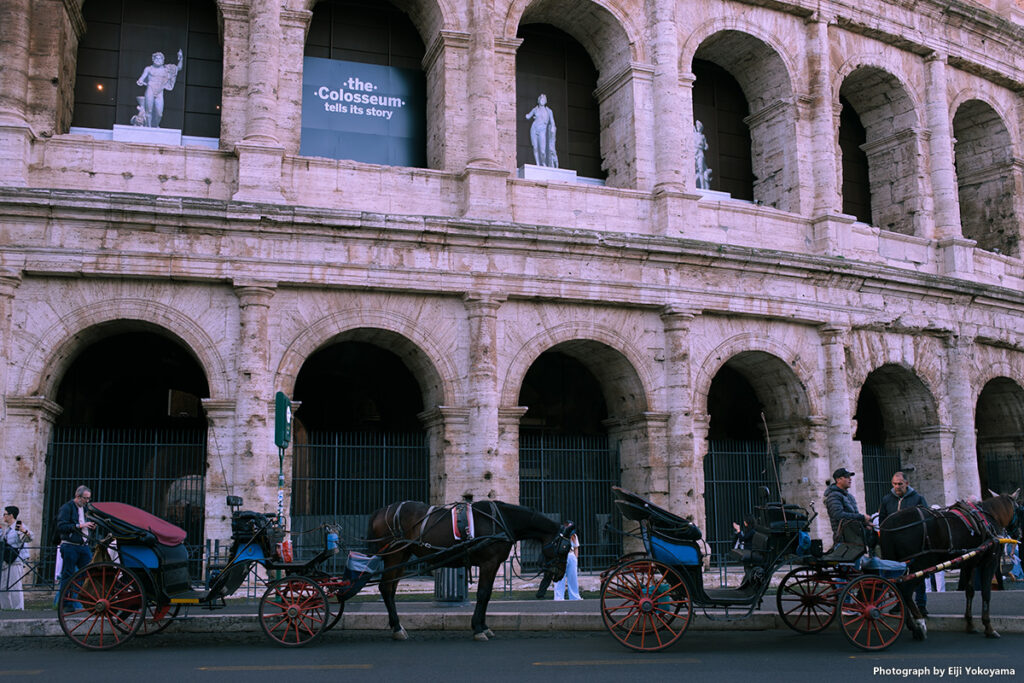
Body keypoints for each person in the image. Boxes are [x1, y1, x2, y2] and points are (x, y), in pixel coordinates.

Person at [878, 471, 929, 614]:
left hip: (914, 544)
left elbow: (927, 518)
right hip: (895, 545)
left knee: (918, 575)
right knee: (898, 577)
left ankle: (921, 605)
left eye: (900, 484)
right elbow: (883, 520)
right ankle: (900, 603)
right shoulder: (887, 499)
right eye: (894, 484)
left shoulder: (918, 498)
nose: (897, 487)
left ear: (907, 483)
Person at [56, 485, 95, 608]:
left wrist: (91, 527)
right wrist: (80, 525)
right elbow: (61, 526)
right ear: (77, 496)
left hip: (83, 546)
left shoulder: (85, 509)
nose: (87, 501)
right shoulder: (66, 508)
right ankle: (66, 603)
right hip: (70, 546)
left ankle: (81, 600)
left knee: (88, 572)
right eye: (85, 498)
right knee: (68, 574)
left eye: (89, 498)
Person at [135, 49, 184, 128]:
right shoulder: (148, 69)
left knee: (159, 114)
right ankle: (149, 127)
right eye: (156, 58)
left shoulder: (167, 69)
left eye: (160, 58)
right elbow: (141, 78)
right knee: (149, 111)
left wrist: (181, 58)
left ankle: (155, 125)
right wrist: (140, 81)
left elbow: (179, 68)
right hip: (150, 89)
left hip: (160, 91)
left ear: (163, 60)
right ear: (153, 59)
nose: (158, 60)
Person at [823, 467, 872, 544]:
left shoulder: (849, 496)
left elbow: (854, 515)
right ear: (838, 480)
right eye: (846, 477)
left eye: (850, 477)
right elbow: (838, 515)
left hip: (853, 538)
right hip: (843, 540)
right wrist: (862, 517)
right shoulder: (833, 496)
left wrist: (865, 524)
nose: (850, 479)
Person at [1, 506, 33, 610]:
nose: (3, 516)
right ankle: (6, 608)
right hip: (6, 561)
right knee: (3, 587)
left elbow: (29, 538)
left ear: (11, 515)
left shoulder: (18, 526)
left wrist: (24, 531)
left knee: (15, 587)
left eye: (5, 514)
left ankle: (18, 609)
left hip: (15, 561)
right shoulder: (6, 529)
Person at [525, 94, 557, 167]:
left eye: (543, 99)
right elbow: (528, 116)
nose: (542, 100)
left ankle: (543, 163)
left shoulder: (548, 111)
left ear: (545, 101)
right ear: (538, 100)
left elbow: (552, 121)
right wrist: (527, 116)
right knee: (535, 147)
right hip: (534, 128)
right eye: (541, 99)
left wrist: (552, 127)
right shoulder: (535, 109)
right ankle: (538, 164)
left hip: (543, 130)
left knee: (542, 150)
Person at [552, 526, 581, 601]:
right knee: (560, 577)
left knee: (573, 577)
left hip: (571, 555)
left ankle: (574, 597)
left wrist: (575, 558)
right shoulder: (559, 535)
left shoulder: (574, 536)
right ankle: (559, 597)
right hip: (561, 556)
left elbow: (576, 547)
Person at [694, 120, 711, 189]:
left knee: (701, 169)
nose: (698, 127)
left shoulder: (703, 136)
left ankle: (703, 186)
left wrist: (706, 146)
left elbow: (705, 146)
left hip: (700, 152)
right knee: (694, 169)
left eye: (699, 126)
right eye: (697, 126)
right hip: (694, 152)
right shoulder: (693, 134)